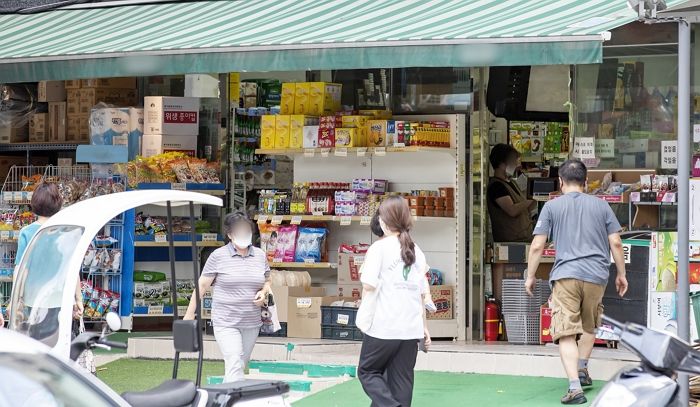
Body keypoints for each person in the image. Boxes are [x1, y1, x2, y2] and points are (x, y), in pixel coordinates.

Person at [525, 160, 628, 405]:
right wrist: (621, 274)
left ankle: (574, 387)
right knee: (590, 325)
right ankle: (582, 368)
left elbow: (538, 245)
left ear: (560, 181)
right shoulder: (601, 206)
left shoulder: (551, 207)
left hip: (566, 276)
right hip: (596, 275)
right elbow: (616, 243)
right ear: (585, 181)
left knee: (566, 332)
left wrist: (530, 276)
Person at [358, 196, 431, 407]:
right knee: (401, 381)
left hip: (383, 325)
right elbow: (421, 293)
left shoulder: (378, 249)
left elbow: (368, 285)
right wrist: (424, 327)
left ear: (384, 221)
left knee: (368, 371)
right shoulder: (417, 251)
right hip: (411, 328)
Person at [184, 212, 271, 383]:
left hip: (251, 321)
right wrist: (189, 314)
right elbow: (202, 285)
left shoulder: (260, 255)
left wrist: (264, 292)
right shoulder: (218, 256)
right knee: (234, 361)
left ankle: (224, 397)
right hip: (226, 321)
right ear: (230, 234)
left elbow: (267, 280)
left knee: (239, 365)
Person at [487, 143, 536, 242]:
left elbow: (526, 209)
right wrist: (531, 198)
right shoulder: (497, 186)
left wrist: (538, 198)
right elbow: (512, 210)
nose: (516, 165)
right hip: (511, 242)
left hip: (525, 238)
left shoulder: (511, 182)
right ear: (501, 164)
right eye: (513, 162)